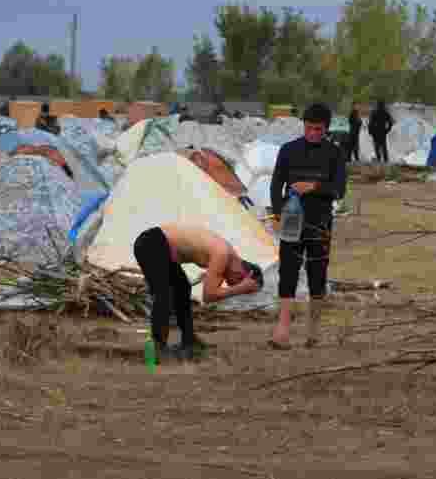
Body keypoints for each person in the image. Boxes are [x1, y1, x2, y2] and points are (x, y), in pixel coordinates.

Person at [269, 102, 346, 349]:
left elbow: (339, 190)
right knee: (288, 271)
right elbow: (275, 184)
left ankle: (314, 330)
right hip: (292, 220)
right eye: (310, 128)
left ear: (326, 129)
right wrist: (278, 213)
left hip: (320, 221)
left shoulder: (335, 153)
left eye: (319, 130)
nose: (314, 133)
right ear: (303, 125)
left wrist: (313, 187)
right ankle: (282, 330)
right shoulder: (288, 150)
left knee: (317, 272)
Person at [132, 223, 263, 362]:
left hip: (161, 246)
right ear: (243, 274)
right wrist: (240, 288)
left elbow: (213, 292)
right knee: (164, 293)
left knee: (182, 288)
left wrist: (238, 287)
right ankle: (157, 347)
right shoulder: (222, 254)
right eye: (234, 283)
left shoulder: (227, 257)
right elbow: (208, 296)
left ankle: (189, 341)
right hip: (152, 243)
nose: (229, 284)